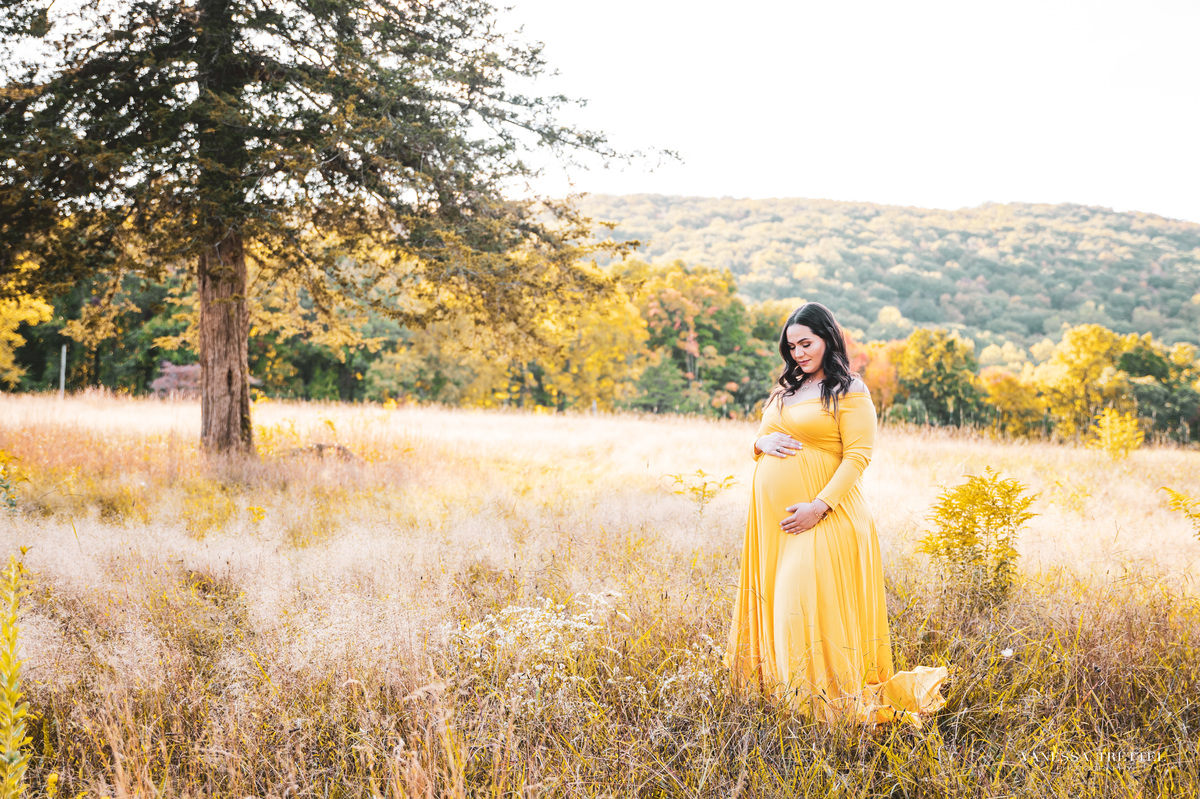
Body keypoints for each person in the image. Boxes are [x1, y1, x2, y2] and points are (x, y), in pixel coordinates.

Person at [724, 301, 948, 727]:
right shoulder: (786, 390)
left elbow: (858, 456)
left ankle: (826, 711)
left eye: (806, 343)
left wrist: (818, 506)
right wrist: (759, 446)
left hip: (828, 517)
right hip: (775, 527)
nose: (798, 353)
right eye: (791, 346)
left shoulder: (850, 390)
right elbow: (761, 435)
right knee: (777, 607)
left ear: (828, 338)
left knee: (798, 606)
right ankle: (790, 706)